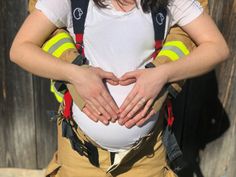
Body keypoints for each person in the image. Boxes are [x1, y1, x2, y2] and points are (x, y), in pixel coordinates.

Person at [10, 0, 229, 176]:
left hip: (145, 158)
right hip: (80, 156)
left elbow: (217, 48)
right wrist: (76, 75)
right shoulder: (71, 3)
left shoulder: (168, 3)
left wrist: (162, 74)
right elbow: (20, 49)